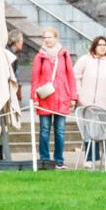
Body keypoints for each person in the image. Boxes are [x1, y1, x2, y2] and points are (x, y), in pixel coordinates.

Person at [75, 35, 106, 167]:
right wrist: (79, 95)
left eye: (105, 45)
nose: (102, 47)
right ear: (94, 46)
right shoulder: (84, 60)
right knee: (89, 132)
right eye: (99, 45)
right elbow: (76, 78)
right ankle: (90, 158)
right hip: (87, 104)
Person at [30, 27, 77, 168]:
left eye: (49, 37)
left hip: (61, 97)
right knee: (44, 130)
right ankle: (44, 159)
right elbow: (35, 78)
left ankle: (59, 160)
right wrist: (34, 97)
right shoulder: (40, 56)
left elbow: (70, 77)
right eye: (45, 37)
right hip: (45, 98)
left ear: (56, 38)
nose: (47, 40)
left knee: (60, 131)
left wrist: (73, 97)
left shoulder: (64, 55)